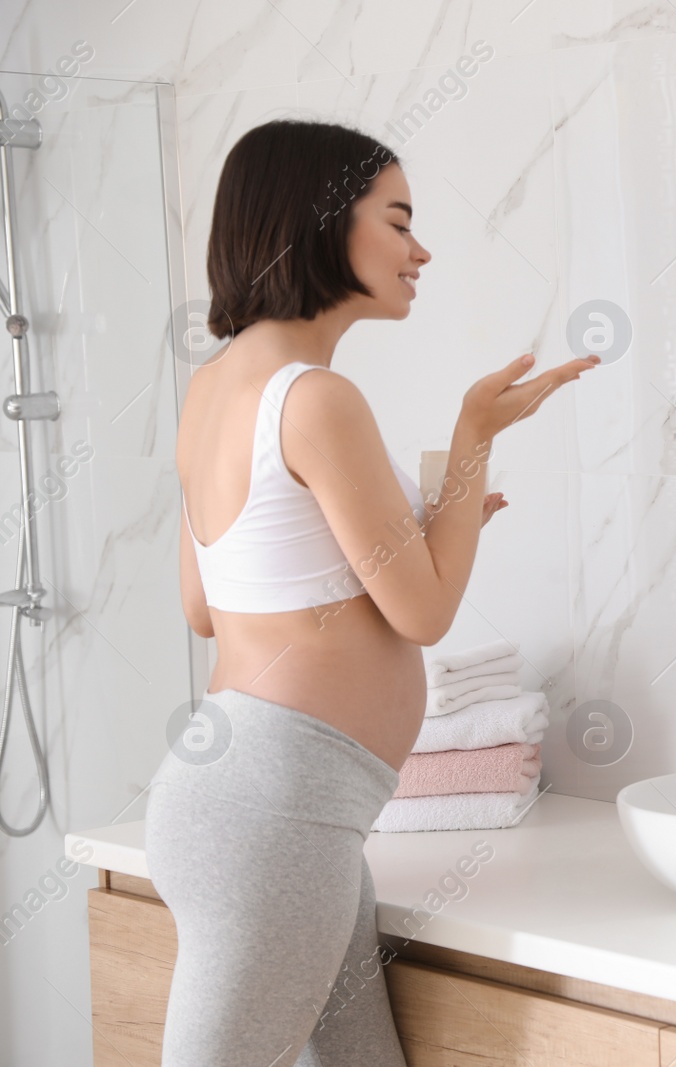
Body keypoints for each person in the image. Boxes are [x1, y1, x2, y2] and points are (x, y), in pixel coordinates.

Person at [147, 119, 599, 1066]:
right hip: (279, 813)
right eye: (397, 219)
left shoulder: (213, 389)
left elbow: (205, 606)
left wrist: (429, 526)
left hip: (255, 799)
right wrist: (474, 434)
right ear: (322, 222)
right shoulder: (316, 399)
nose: (419, 247)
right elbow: (423, 613)